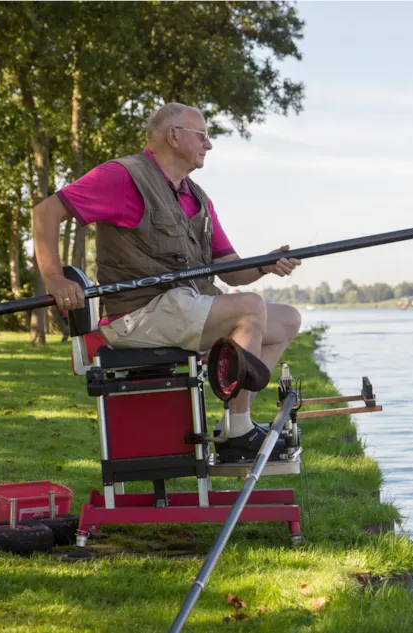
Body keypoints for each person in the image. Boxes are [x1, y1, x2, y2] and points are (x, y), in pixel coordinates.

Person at [31, 102, 302, 462]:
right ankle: (239, 433)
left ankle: (233, 422)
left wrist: (265, 265)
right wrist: (52, 277)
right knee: (250, 308)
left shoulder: (197, 197)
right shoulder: (123, 177)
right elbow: (45, 212)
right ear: (174, 136)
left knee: (287, 320)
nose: (209, 144)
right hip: (138, 315)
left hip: (184, 308)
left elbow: (231, 269)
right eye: (202, 135)